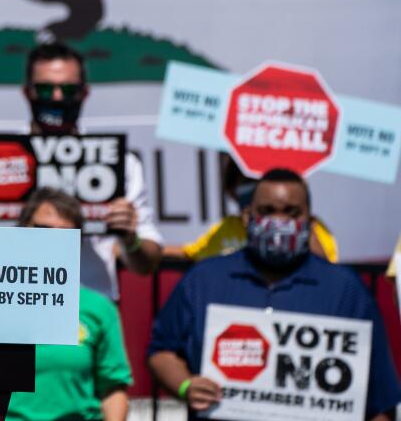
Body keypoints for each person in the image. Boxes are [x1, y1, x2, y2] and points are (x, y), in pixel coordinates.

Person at [148, 168, 401, 420]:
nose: (280, 222)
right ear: (247, 217)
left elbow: (379, 400)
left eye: (292, 213)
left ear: (310, 221)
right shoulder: (203, 280)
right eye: (267, 211)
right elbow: (162, 350)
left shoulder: (346, 290)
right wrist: (186, 386)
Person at [23, 42, 161, 297]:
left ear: (84, 93)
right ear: (27, 92)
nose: (56, 97)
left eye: (67, 89)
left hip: (90, 310)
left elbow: (147, 264)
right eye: (44, 89)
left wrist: (130, 238)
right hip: (13, 302)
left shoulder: (121, 163)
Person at [7, 188, 131, 421]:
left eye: (65, 234)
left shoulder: (99, 308)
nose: (53, 239)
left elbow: (113, 389)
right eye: (43, 229)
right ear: (21, 230)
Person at [163, 153, 338, 261]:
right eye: (248, 179)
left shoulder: (311, 226)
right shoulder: (227, 228)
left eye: (263, 178)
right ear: (232, 189)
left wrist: (302, 225)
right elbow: (190, 253)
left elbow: (325, 273)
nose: (258, 187)